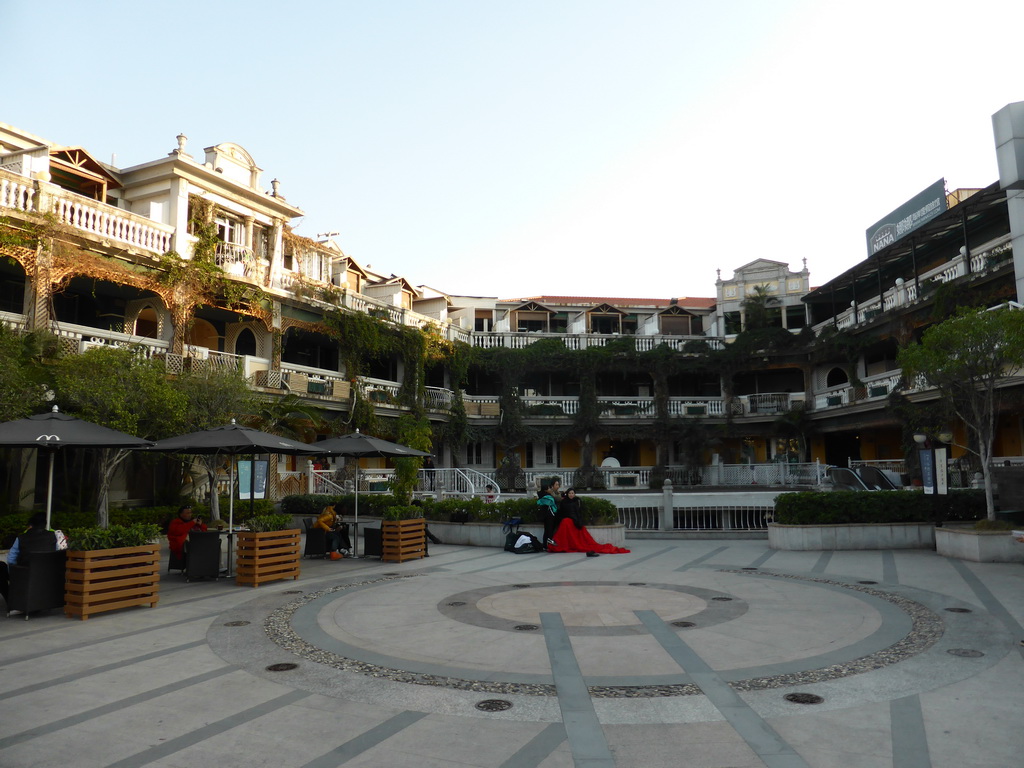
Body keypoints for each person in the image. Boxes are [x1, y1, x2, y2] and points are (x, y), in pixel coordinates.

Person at [1, 512, 59, 610]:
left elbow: (11, 559)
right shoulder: (53, 536)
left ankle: (12, 602)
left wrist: (13, 574)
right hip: (49, 576)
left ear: (30, 525)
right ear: (45, 524)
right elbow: (58, 553)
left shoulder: (21, 538)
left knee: (1, 567)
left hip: (25, 576)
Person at [547, 490, 630, 555]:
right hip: (567, 521)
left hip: (575, 521)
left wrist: (577, 521)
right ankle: (558, 544)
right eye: (570, 493)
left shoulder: (577, 501)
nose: (571, 495)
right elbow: (563, 512)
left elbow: (578, 513)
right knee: (565, 523)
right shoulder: (564, 502)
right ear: (567, 494)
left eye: (573, 493)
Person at [537, 479, 559, 550]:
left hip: (545, 515)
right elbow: (553, 504)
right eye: (549, 488)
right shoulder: (548, 497)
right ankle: (549, 545)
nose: (550, 489)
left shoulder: (541, 496)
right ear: (546, 490)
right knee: (550, 530)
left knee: (546, 530)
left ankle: (545, 546)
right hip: (550, 515)